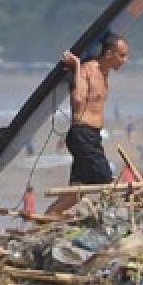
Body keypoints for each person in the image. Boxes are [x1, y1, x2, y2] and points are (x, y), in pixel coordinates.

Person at [46, 33, 128, 216]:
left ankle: (47, 218)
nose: (125, 60)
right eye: (121, 55)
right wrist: (76, 66)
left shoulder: (104, 74)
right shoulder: (87, 69)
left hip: (91, 136)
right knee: (106, 181)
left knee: (75, 192)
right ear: (108, 54)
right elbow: (78, 99)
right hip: (82, 134)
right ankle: (110, 219)